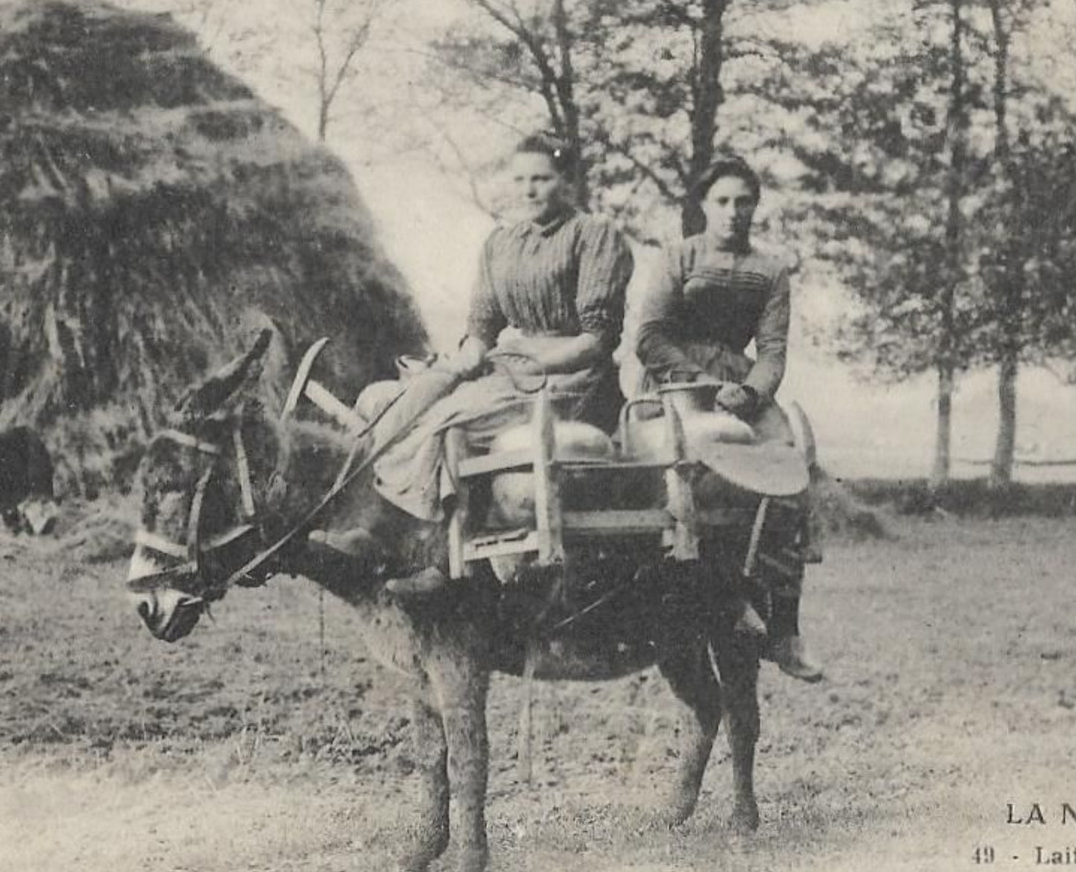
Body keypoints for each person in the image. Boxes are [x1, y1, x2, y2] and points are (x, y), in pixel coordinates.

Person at [335, 133, 634, 597]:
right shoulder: (501, 243)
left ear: (568, 181)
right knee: (409, 402)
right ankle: (377, 528)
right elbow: (482, 326)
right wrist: (464, 360)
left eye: (542, 179)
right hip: (510, 367)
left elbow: (596, 341)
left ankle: (437, 558)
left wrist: (533, 362)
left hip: (572, 380)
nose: (529, 190)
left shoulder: (594, 236)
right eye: (520, 180)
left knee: (446, 423)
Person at [634, 157, 823, 682]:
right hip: (675, 384)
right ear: (703, 206)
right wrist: (701, 381)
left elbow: (773, 352)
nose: (734, 212)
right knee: (681, 482)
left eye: (744, 201)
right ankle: (689, 598)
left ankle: (784, 626)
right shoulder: (679, 257)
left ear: (755, 206)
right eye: (722, 201)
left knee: (788, 471)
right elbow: (649, 335)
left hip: (742, 388)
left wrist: (752, 390)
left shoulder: (770, 271)